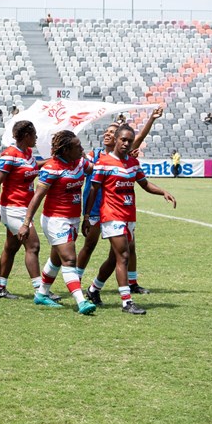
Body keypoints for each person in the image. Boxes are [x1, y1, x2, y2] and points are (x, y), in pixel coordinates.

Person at [83, 125, 176, 315]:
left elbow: (144, 183)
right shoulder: (104, 162)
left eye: (129, 141)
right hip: (111, 214)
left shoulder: (133, 163)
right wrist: (86, 216)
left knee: (114, 258)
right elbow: (93, 189)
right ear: (116, 139)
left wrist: (163, 192)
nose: (126, 143)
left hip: (128, 215)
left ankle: (93, 289)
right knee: (123, 256)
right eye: (123, 139)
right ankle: (127, 302)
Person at [76, 107, 161, 291]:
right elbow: (88, 168)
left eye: (112, 132)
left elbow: (137, 140)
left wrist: (151, 120)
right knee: (90, 245)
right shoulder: (96, 155)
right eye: (106, 131)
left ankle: (132, 283)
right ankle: (77, 281)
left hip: (118, 208)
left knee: (128, 248)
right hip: (96, 206)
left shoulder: (125, 156)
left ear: (118, 138)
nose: (107, 134)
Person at [18, 130, 97, 315]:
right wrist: (26, 223)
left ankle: (41, 294)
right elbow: (37, 197)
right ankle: (81, 301)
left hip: (73, 219)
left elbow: (97, 170)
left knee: (56, 258)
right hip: (55, 220)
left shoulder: (80, 163)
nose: (82, 148)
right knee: (69, 259)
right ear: (67, 149)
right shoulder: (51, 168)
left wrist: (86, 217)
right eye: (78, 146)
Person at [0, 120, 49, 299]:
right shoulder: (9, 155)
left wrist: (51, 161)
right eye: (34, 135)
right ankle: (40, 290)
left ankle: (0, 288)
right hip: (13, 208)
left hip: (23, 207)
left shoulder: (28, 153)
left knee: (11, 247)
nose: (36, 138)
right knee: (33, 246)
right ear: (27, 135)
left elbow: (32, 168)